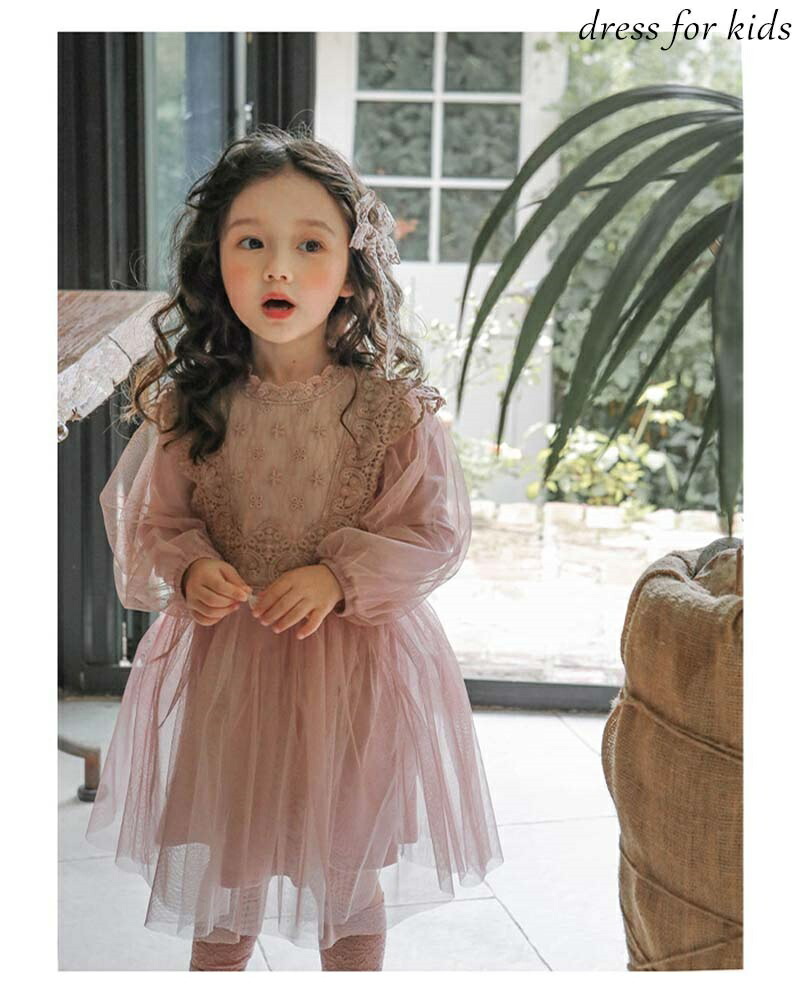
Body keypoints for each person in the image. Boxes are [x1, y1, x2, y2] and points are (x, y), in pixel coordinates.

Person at [85, 124, 503, 972]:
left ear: (351, 271)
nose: (278, 268)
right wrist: (192, 567)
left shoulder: (392, 410)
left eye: (309, 244)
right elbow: (152, 521)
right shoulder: (189, 408)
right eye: (252, 243)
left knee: (347, 880)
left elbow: (433, 533)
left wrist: (337, 577)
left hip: (352, 677)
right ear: (216, 264)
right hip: (231, 673)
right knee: (223, 884)